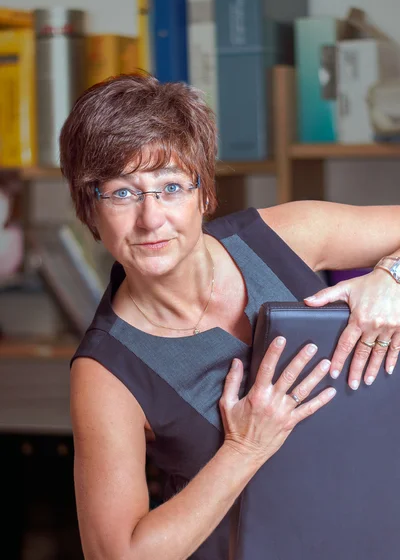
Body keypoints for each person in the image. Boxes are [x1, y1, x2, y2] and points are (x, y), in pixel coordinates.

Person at [60, 74, 400, 560]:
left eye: (170, 186)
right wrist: (244, 449)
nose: (151, 218)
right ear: (89, 210)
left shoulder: (285, 236)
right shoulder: (105, 373)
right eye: (122, 193)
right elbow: (120, 555)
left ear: (204, 193)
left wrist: (393, 279)